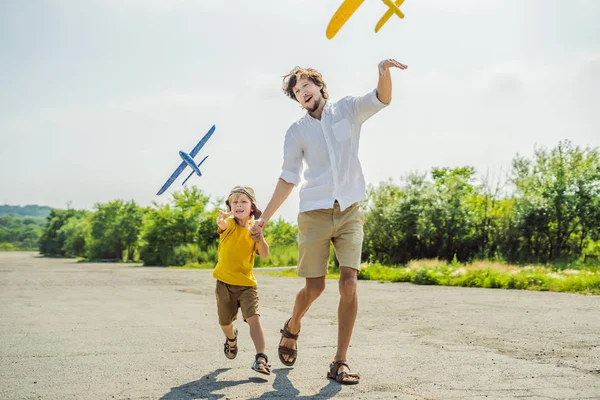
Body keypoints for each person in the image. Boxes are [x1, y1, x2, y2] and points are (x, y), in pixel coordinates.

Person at [250, 59, 407, 384]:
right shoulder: (297, 132)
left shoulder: (348, 110)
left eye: (306, 84)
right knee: (315, 287)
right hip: (314, 213)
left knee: (349, 282)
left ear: (320, 86)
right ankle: (293, 325)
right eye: (297, 91)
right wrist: (263, 218)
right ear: (297, 100)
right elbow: (289, 177)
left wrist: (383, 73)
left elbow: (381, 98)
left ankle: (340, 361)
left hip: (350, 209)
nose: (303, 92)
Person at [213, 185, 271, 375]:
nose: (238, 204)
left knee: (254, 318)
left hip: (247, 285)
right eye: (234, 201)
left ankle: (261, 358)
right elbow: (222, 225)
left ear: (252, 207)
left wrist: (260, 238)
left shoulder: (254, 230)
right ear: (230, 206)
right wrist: (221, 220)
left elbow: (264, 254)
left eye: (243, 201)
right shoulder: (228, 224)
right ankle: (231, 339)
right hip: (224, 283)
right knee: (225, 323)